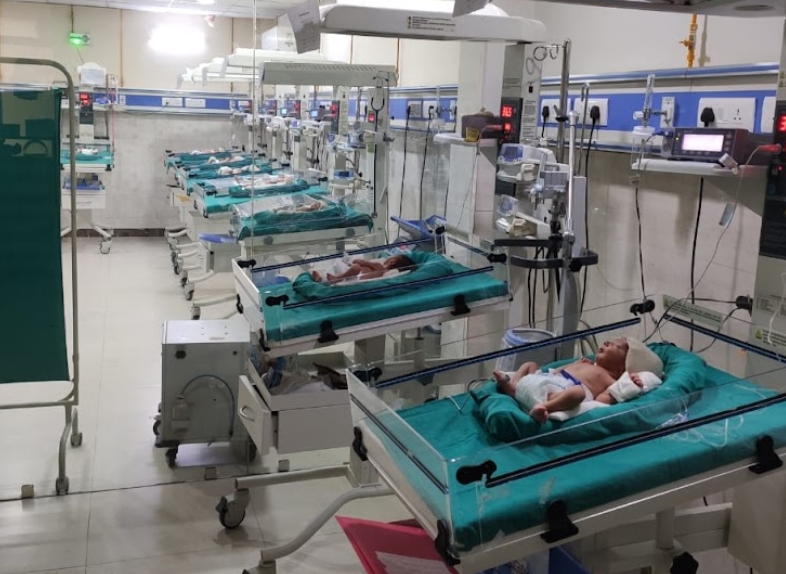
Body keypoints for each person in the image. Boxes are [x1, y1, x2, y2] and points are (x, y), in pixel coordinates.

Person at [494, 337, 663, 423]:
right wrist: (573, 364)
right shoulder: (587, 363)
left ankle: (543, 408)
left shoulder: (611, 380)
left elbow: (602, 400)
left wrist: (630, 382)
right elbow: (557, 371)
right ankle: (514, 386)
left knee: (578, 393)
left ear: (622, 367)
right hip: (546, 380)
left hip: (558, 393)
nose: (607, 342)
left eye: (615, 346)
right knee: (530, 364)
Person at [310, 253, 416, 285]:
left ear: (392, 262)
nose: (388, 257)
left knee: (355, 267)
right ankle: (321, 279)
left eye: (392, 256)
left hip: (355, 277)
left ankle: (336, 278)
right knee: (348, 268)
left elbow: (362, 263)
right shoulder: (380, 269)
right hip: (351, 275)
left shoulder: (380, 267)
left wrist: (357, 261)